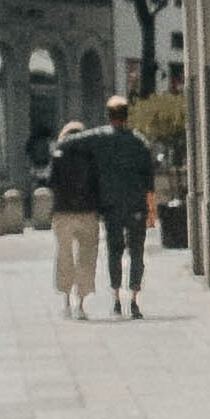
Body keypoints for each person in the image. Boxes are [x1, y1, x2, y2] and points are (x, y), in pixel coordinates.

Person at [79, 93, 160, 314]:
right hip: (136, 206)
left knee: (114, 250)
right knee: (137, 252)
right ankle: (134, 299)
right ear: (127, 116)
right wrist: (151, 211)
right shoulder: (139, 142)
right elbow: (149, 181)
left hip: (111, 206)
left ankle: (116, 297)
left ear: (109, 116)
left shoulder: (101, 142)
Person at [45, 103, 103, 315]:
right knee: (87, 257)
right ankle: (82, 303)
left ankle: (67, 301)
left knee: (65, 256)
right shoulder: (92, 156)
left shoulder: (58, 155)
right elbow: (99, 184)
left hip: (63, 213)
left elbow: (50, 182)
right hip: (88, 212)